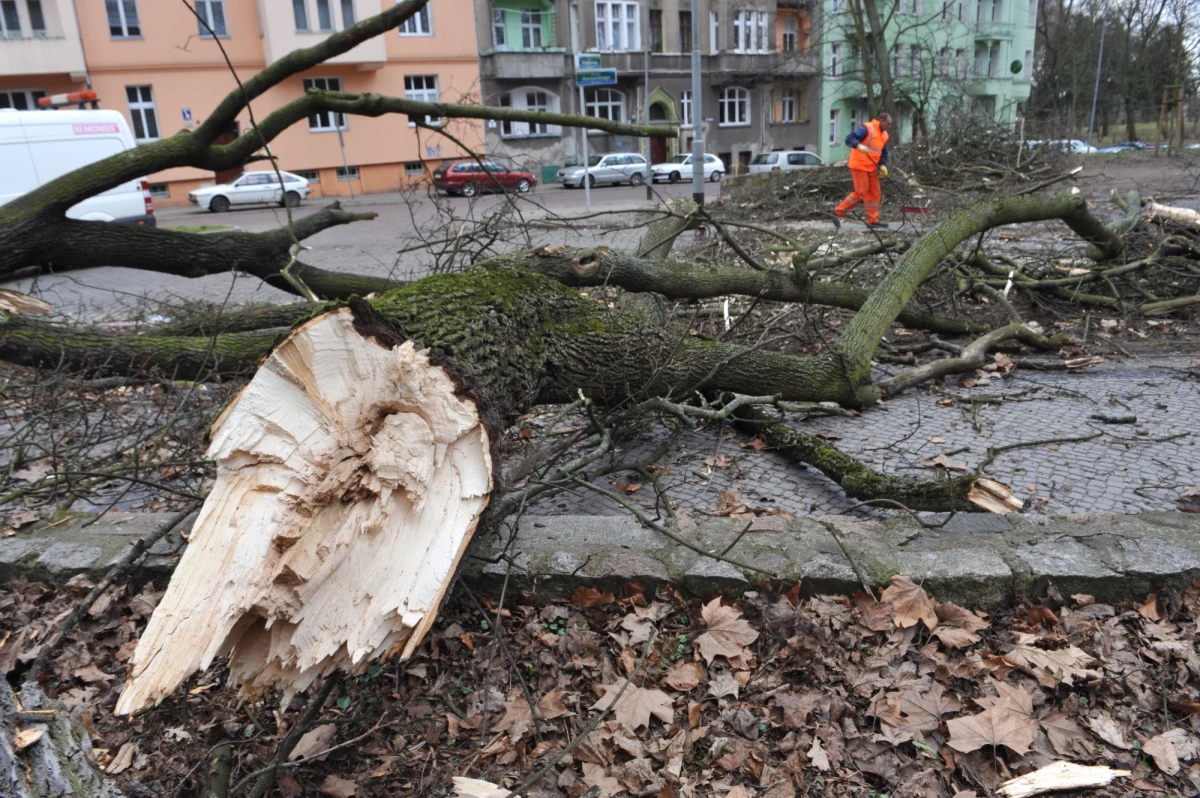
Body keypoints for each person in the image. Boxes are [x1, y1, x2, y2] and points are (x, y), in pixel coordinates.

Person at [833, 112, 892, 227]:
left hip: (871, 167)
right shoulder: (867, 128)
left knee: (875, 193)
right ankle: (837, 212)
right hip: (859, 165)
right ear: (881, 120)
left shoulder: (884, 135)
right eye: (888, 124)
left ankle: (873, 220)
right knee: (860, 192)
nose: (889, 126)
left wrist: (883, 165)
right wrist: (859, 146)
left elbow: (884, 152)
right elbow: (849, 139)